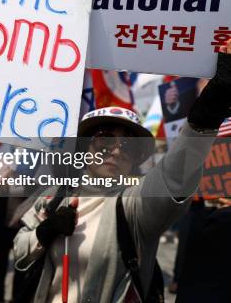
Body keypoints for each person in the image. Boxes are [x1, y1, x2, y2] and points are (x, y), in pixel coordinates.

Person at [12, 41, 231, 302]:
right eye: (105, 139)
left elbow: (174, 177)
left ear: (136, 157)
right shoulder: (53, 196)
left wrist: (206, 115)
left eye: (128, 145)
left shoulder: (133, 205)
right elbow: (19, 251)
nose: (116, 151)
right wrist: (43, 233)